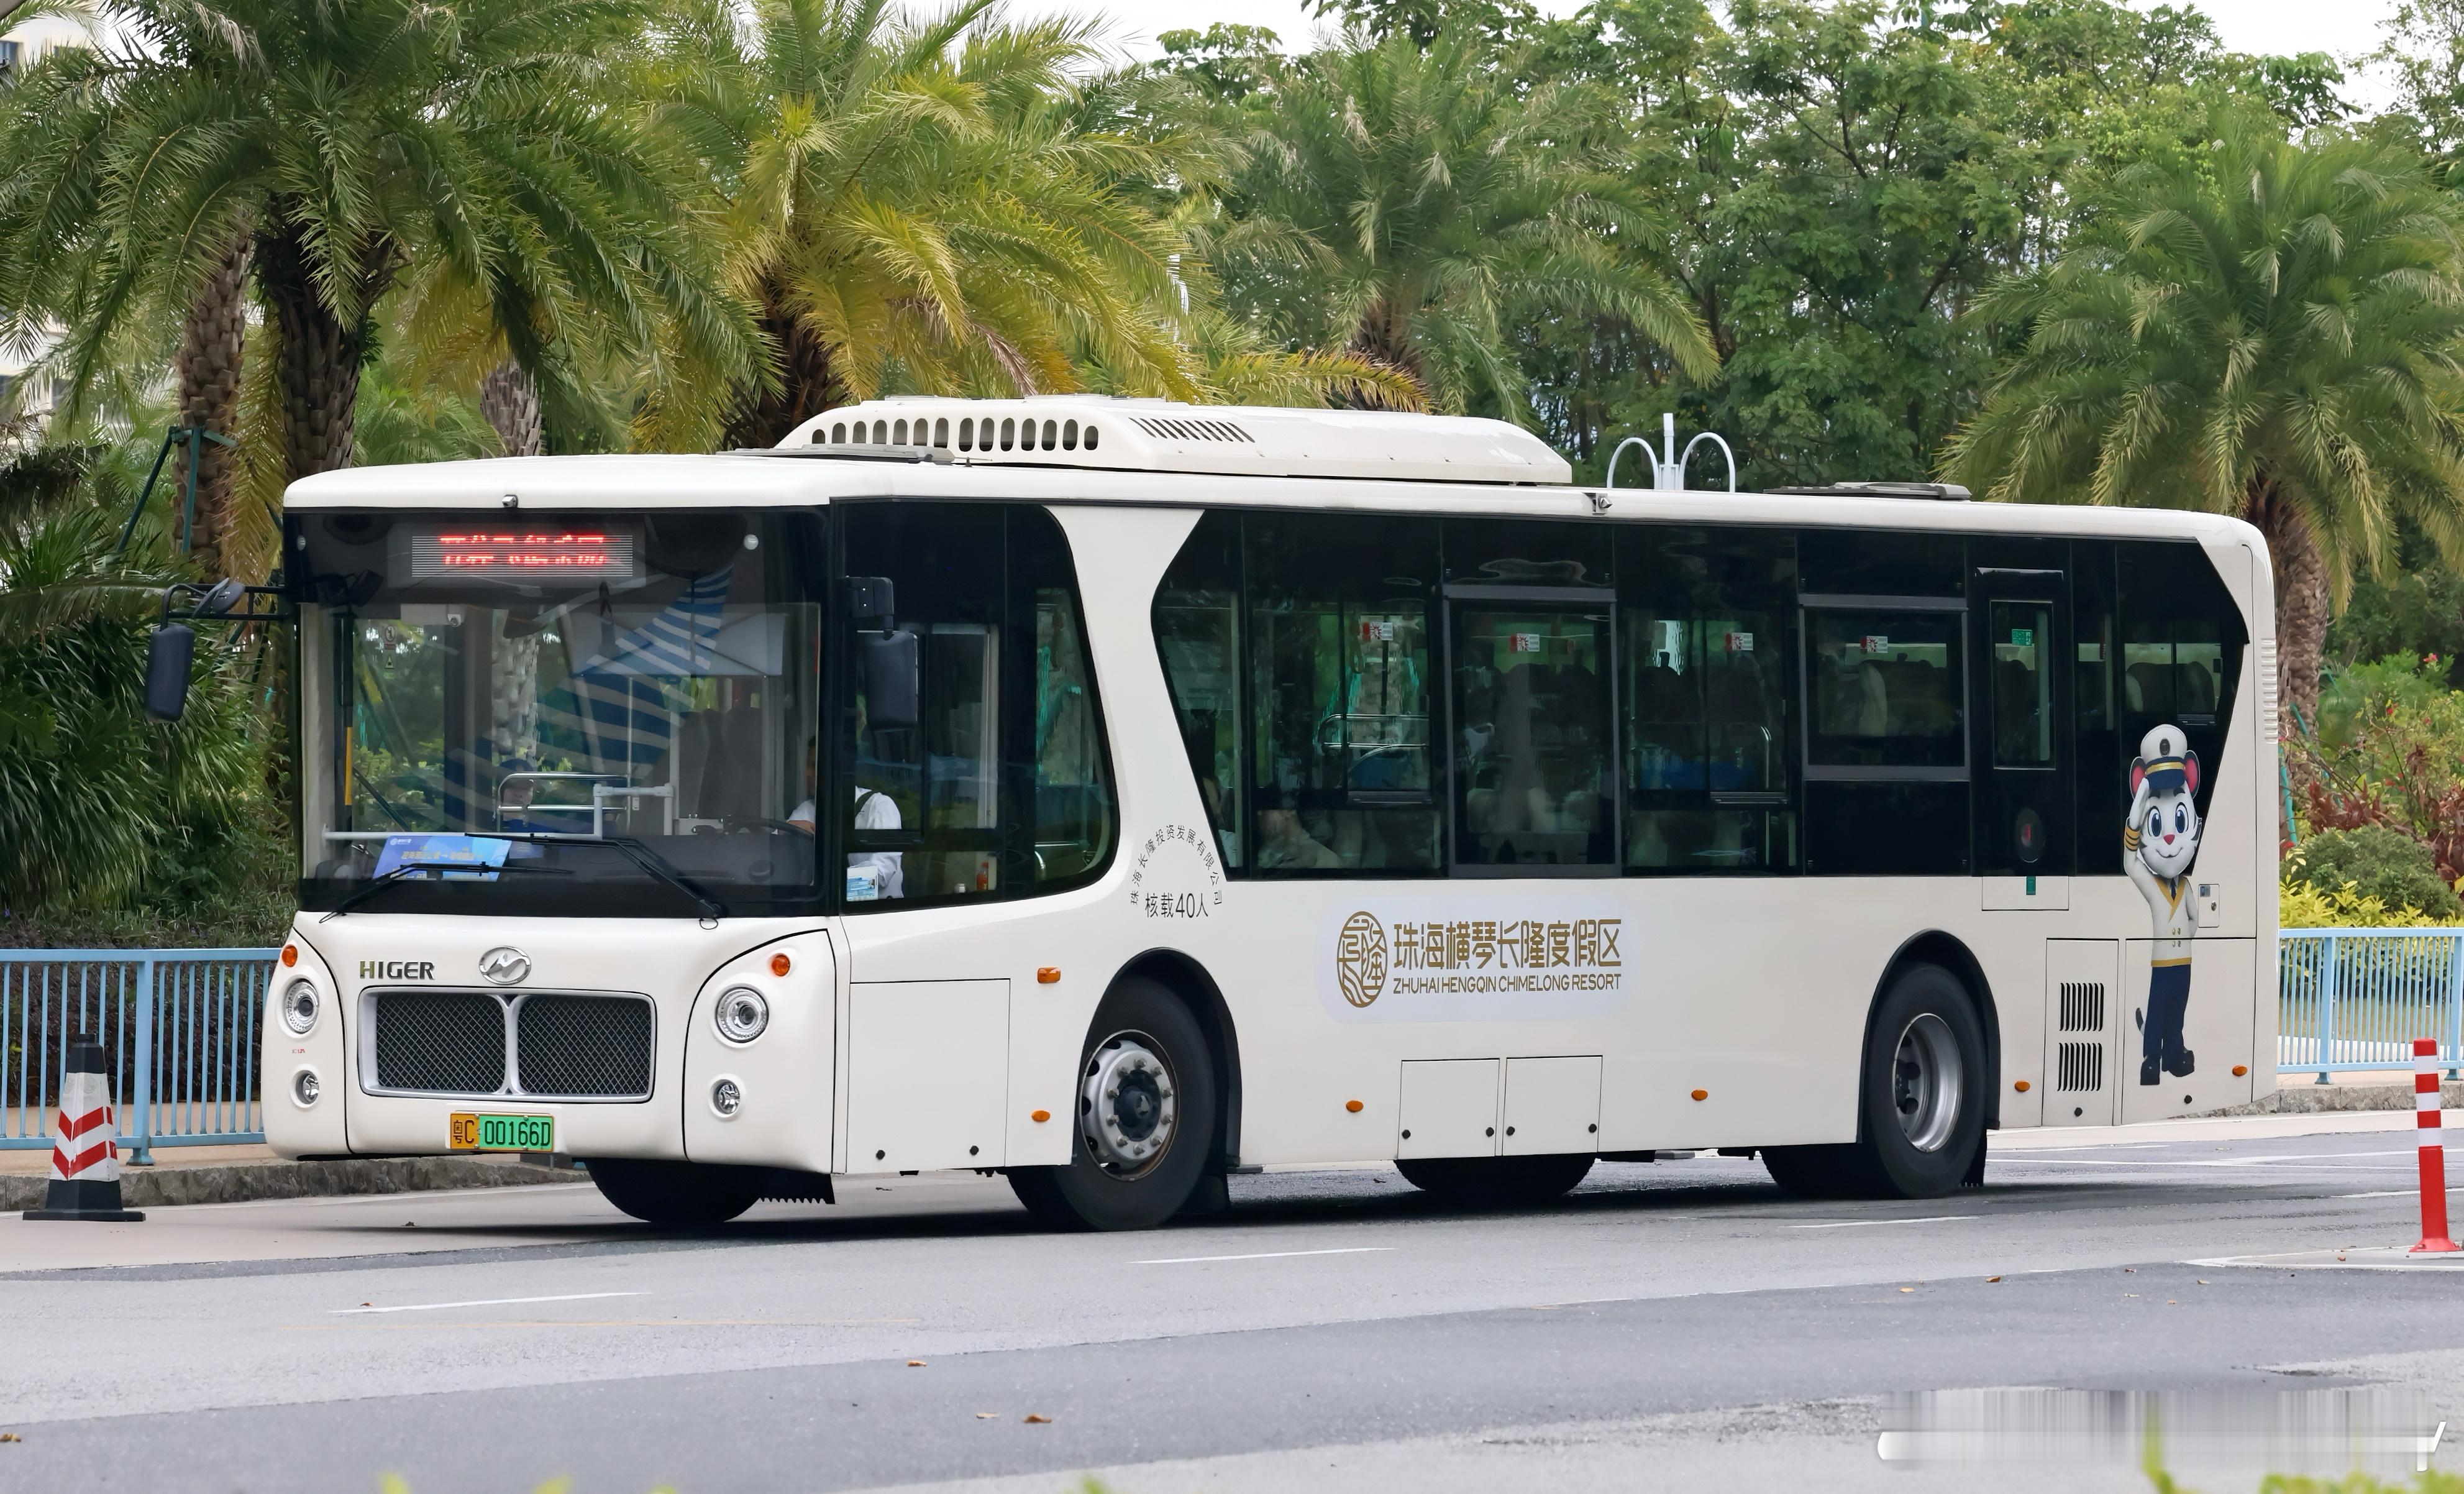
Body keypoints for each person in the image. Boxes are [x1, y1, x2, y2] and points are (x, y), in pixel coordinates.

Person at [788, 740, 905, 899]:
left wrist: (826, 889)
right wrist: (787, 829)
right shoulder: (808, 809)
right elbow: (774, 847)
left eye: (815, 766)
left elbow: (882, 874)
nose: (808, 774)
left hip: (878, 915)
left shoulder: (880, 806)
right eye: (807, 766)